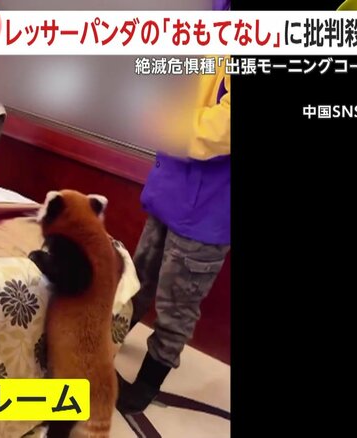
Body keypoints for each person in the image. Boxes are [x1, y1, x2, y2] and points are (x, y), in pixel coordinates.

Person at [116, 38, 231, 415]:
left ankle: (147, 384)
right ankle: (105, 346)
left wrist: (168, 124)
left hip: (210, 206)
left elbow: (224, 126)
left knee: (177, 305)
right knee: (137, 279)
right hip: (171, 186)